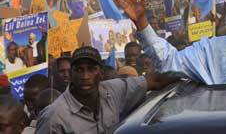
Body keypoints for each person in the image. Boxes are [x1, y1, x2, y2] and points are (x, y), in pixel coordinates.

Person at [36, 46, 177, 134]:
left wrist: (191, 71)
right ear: (71, 73)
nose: (85, 76)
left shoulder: (114, 90)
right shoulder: (53, 117)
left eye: (91, 69)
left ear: (101, 73)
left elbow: (154, 81)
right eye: (79, 70)